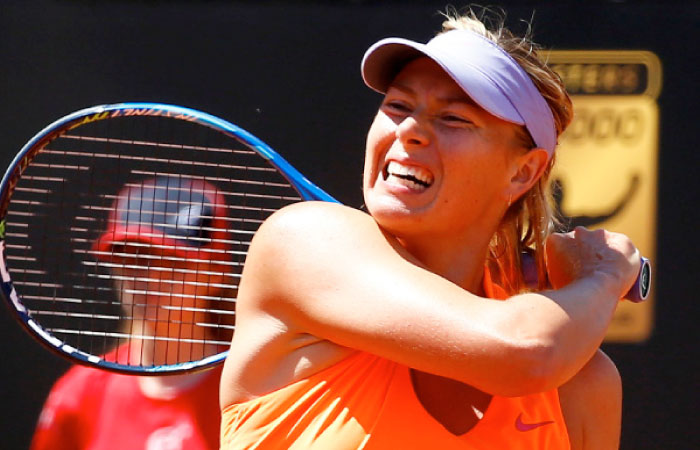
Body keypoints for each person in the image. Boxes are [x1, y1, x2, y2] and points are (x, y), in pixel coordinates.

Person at [219, 8, 641, 450]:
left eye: (454, 119)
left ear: (523, 173)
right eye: (398, 106)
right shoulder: (304, 240)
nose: (411, 130)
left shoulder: (582, 385)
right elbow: (526, 351)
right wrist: (604, 276)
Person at [31, 176, 235, 450]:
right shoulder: (79, 395)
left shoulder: (259, 393)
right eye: (135, 258)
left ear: (217, 273)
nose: (151, 277)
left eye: (174, 260)